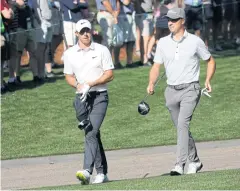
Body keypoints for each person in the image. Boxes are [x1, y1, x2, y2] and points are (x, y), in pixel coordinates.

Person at [147, 8, 216, 175]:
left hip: (190, 89)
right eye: (168, 20)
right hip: (171, 91)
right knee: (181, 127)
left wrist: (207, 80)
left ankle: (179, 164)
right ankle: (196, 161)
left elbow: (210, 61)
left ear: (182, 21)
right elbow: (156, 66)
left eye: (174, 19)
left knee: (182, 124)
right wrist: (151, 82)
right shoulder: (162, 42)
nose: (170, 22)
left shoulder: (195, 41)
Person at [63, 19, 114, 184]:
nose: (86, 34)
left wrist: (90, 84)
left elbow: (109, 74)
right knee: (93, 134)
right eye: (82, 31)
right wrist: (78, 86)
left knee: (90, 132)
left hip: (99, 95)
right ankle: (102, 172)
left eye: (88, 30)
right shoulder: (70, 53)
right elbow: (68, 76)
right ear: (76, 33)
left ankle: (86, 171)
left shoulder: (101, 50)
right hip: (81, 99)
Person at [113, 0, 136, 68]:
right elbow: (126, 2)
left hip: (131, 15)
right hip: (122, 17)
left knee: (131, 40)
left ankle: (129, 62)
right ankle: (116, 62)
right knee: (119, 41)